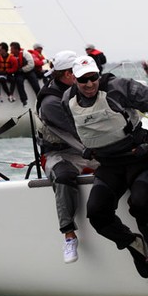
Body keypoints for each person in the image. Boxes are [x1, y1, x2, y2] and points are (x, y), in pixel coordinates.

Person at [61, 56, 148, 284]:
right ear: (74, 80)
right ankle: (134, 244)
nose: (90, 84)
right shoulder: (67, 100)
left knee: (140, 204)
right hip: (109, 166)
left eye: (93, 78)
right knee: (96, 213)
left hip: (136, 160)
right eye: (84, 80)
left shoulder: (120, 88)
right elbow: (75, 127)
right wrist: (86, 147)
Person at [36, 50, 98, 263]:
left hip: (87, 147)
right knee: (63, 176)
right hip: (60, 152)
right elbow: (75, 130)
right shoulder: (51, 102)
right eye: (77, 72)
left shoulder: (80, 88)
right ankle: (69, 235)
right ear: (67, 74)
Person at [10, 41, 40, 107]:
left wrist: (23, 69)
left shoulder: (25, 54)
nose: (10, 50)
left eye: (12, 49)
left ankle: (40, 98)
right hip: (19, 73)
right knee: (19, 81)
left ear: (16, 49)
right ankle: (24, 100)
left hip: (28, 71)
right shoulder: (11, 56)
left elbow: (31, 64)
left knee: (35, 83)